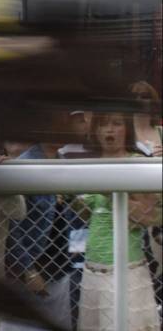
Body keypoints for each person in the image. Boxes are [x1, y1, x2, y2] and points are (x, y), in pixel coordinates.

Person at [70, 112, 162, 331]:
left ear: (127, 129)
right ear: (96, 131)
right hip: (91, 269)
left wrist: (112, 193)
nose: (109, 130)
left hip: (125, 271)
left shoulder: (137, 163)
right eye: (103, 124)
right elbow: (89, 214)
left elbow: (150, 217)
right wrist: (74, 200)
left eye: (116, 124)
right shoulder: (90, 164)